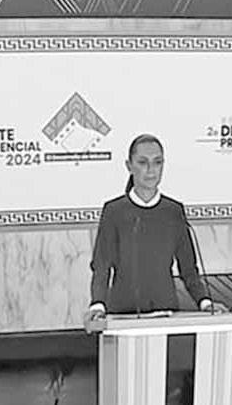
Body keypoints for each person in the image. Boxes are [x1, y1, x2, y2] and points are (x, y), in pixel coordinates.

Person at [85, 134, 222, 324]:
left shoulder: (173, 211)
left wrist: (205, 302)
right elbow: (101, 266)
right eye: (143, 162)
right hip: (123, 315)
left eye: (157, 162)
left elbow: (189, 269)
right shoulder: (114, 211)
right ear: (129, 166)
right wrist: (97, 305)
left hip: (167, 313)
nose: (151, 170)